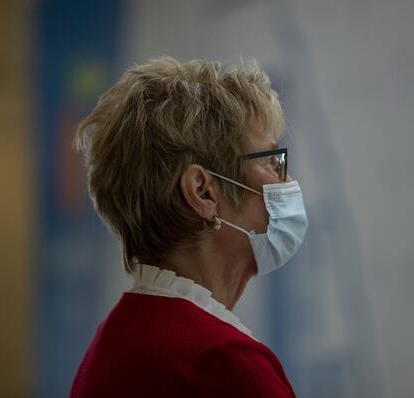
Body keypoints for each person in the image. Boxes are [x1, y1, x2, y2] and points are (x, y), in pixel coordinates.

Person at [70, 56, 308, 397]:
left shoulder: (112, 340)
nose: (287, 180)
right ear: (203, 191)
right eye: (270, 162)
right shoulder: (220, 362)